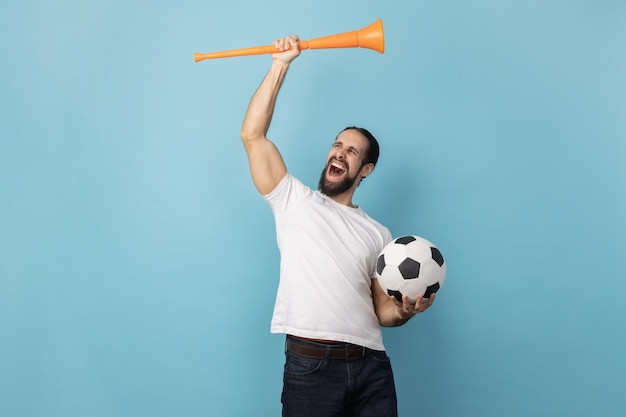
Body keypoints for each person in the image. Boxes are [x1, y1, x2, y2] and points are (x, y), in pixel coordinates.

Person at [240, 34, 436, 417]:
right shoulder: (293, 200)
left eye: (351, 151)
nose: (338, 153)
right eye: (336, 145)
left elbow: (383, 312)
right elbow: (253, 136)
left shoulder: (379, 234)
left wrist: (406, 311)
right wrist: (280, 64)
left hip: (372, 367)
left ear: (366, 170)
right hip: (311, 367)